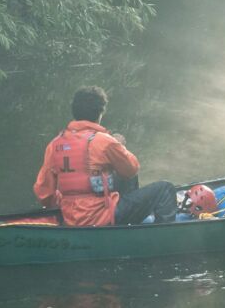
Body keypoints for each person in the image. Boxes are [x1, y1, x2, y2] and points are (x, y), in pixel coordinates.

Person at [35, 86, 177, 226]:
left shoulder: (55, 145)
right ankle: (160, 238)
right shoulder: (104, 141)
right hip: (102, 216)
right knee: (165, 189)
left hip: (70, 217)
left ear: (74, 111)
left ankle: (125, 225)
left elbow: (44, 193)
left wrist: (68, 200)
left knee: (124, 176)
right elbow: (132, 168)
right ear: (100, 113)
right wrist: (119, 145)